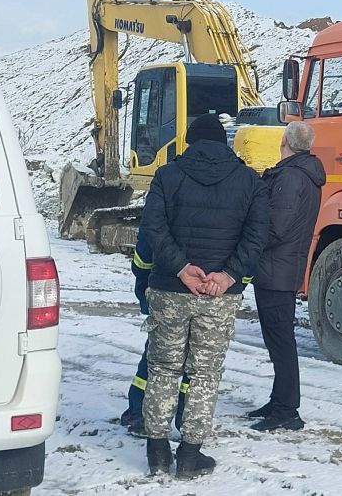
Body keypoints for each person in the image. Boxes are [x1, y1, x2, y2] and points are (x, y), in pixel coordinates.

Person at [140, 113, 269, 478]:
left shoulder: (167, 175)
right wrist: (227, 275)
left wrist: (181, 268)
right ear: (223, 142)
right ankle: (191, 456)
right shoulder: (248, 179)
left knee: (163, 367)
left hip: (170, 287)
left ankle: (157, 453)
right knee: (204, 375)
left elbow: (153, 226)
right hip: (218, 295)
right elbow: (257, 236)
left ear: (190, 141)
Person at [248, 121, 325, 432]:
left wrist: (249, 242)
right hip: (282, 267)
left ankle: (287, 410)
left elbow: (275, 227)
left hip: (275, 269)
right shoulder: (304, 173)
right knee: (278, 339)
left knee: (280, 341)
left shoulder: (290, 177)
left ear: (284, 141)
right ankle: (279, 401)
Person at [119, 227, 188, 437]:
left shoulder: (164, 197)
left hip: (165, 292)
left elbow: (144, 254)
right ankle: (190, 423)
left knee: (157, 359)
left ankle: (139, 413)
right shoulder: (237, 196)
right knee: (199, 367)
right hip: (213, 298)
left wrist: (145, 290)